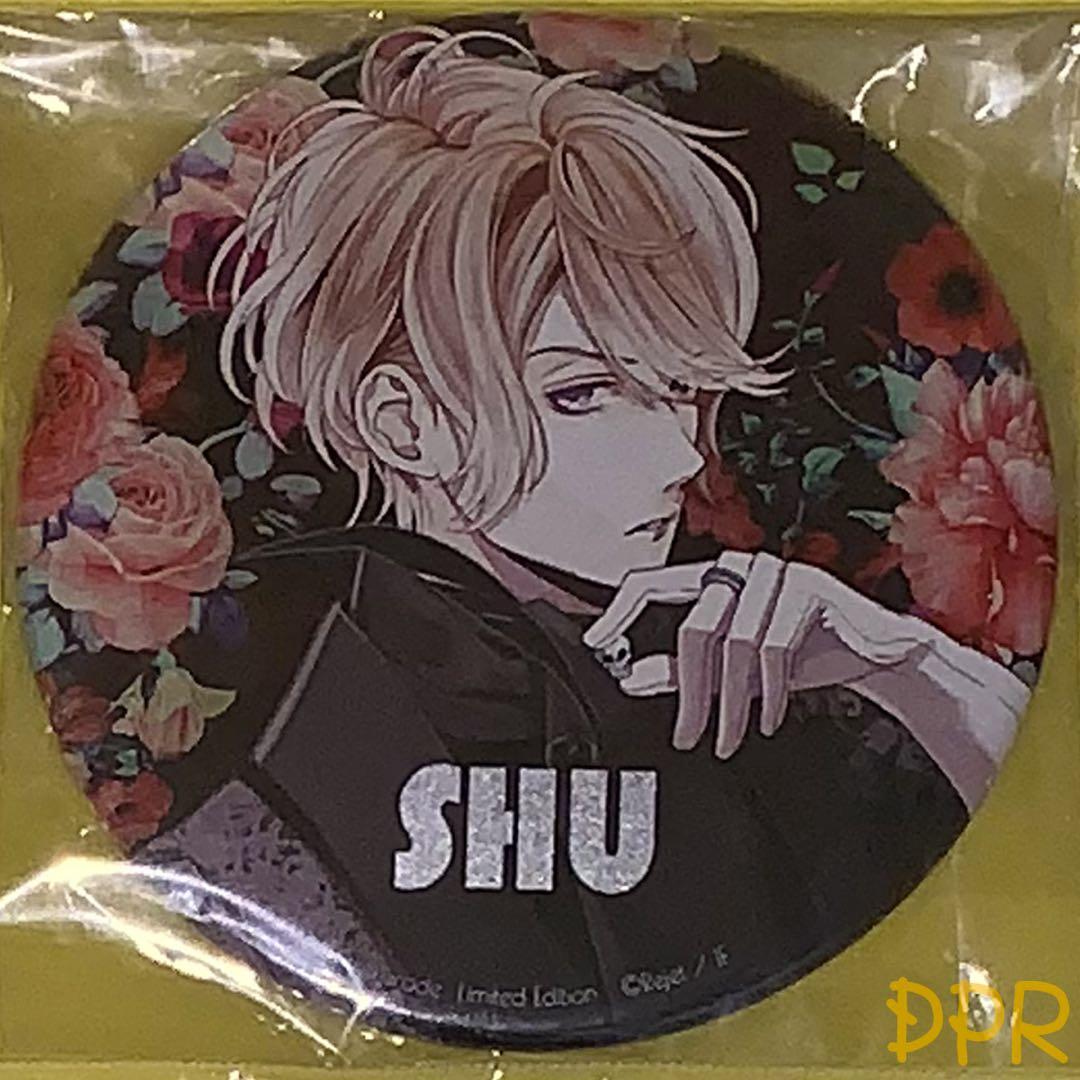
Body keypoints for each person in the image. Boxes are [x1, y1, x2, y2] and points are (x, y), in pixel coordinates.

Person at [144, 26, 1028, 1045]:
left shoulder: (779, 686)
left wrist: (907, 663)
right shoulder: (262, 800)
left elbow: (1006, 881)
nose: (679, 456)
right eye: (584, 393)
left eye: (684, 390)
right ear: (404, 422)